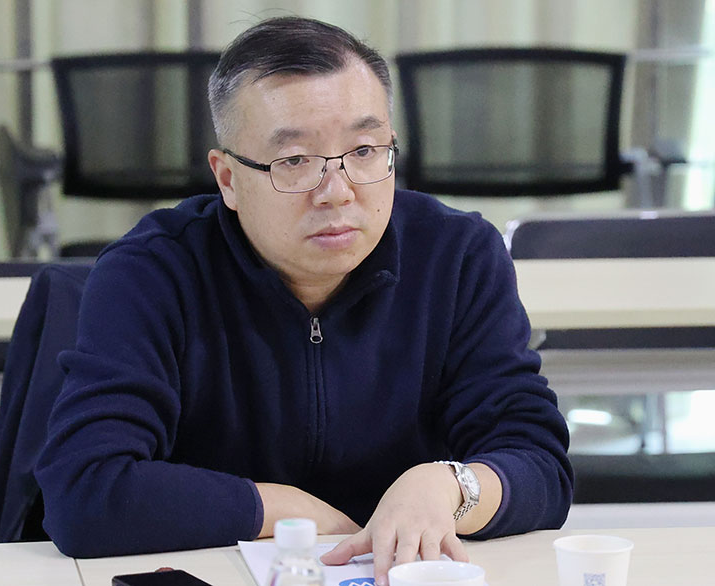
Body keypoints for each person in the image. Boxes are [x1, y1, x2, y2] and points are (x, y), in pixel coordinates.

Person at [35, 16, 573, 585]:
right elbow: (85, 489)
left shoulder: (457, 255)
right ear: (228, 179)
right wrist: (286, 511)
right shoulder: (152, 272)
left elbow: (538, 463)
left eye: (364, 150)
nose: (337, 191)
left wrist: (448, 486)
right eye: (294, 161)